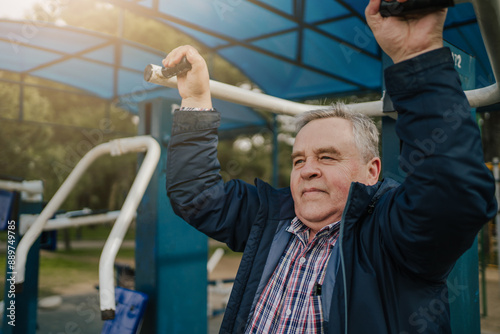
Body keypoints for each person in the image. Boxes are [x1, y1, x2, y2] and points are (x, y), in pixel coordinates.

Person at [164, 0, 497, 332]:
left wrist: (418, 56)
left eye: (327, 157)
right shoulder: (269, 217)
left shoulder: (393, 234)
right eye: (299, 160)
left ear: (372, 171)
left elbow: (455, 193)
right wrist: (194, 102)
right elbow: (196, 194)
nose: (307, 169)